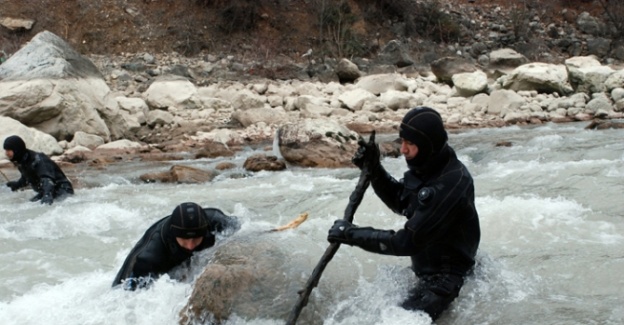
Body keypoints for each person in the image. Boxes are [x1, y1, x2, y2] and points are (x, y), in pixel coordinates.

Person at [327, 106, 481, 321]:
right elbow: (401, 201)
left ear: (428, 146)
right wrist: (374, 169)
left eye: (411, 144)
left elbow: (406, 242)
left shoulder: (451, 184)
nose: (403, 150)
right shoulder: (429, 166)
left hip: (447, 278)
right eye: (403, 141)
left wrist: (350, 234)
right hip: (424, 271)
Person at [112, 202, 240, 290]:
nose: (190, 246)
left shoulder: (217, 221)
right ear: (174, 235)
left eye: (196, 238)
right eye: (184, 239)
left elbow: (245, 231)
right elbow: (127, 297)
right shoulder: (149, 256)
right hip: (160, 265)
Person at [3, 135, 74, 205]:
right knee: (28, 204)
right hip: (47, 191)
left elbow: (47, 179)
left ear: (16, 150)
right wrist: (17, 185)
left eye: (8, 150)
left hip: (63, 191)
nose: (6, 153)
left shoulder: (38, 159)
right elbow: (28, 178)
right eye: (6, 150)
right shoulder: (22, 161)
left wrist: (47, 195)